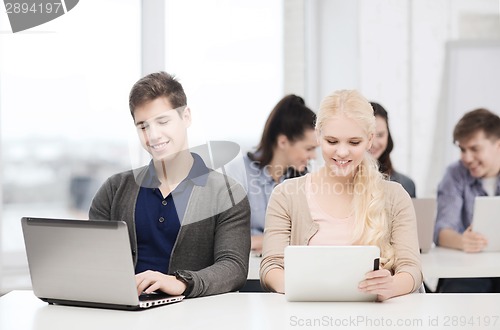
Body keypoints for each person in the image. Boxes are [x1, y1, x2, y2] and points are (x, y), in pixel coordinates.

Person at [89, 71, 251, 298]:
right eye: (143, 126)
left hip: (191, 316)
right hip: (124, 313)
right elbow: (93, 260)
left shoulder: (227, 193)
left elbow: (233, 267)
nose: (153, 135)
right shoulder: (114, 189)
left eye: (163, 121)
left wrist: (181, 282)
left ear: (186, 117)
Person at [260, 90, 422, 301]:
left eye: (354, 143)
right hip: (306, 316)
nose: (342, 152)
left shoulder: (395, 196)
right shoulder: (286, 195)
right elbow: (270, 267)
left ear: (370, 139)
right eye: (332, 141)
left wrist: (390, 286)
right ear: (318, 136)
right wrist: (307, 287)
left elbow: (412, 269)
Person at [227, 95, 318, 254]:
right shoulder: (238, 172)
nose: (314, 156)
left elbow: (310, 237)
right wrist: (278, 241)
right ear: (283, 142)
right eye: (308, 149)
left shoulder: (303, 180)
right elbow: (227, 240)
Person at [434, 108, 500, 293]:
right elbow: (442, 232)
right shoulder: (454, 174)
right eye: (462, 149)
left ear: (498, 145)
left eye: (474, 149)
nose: (466, 158)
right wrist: (462, 241)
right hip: (468, 270)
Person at [369, 102, 416, 197]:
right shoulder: (341, 184)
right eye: (368, 135)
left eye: (380, 135)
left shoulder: (406, 185)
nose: (373, 143)